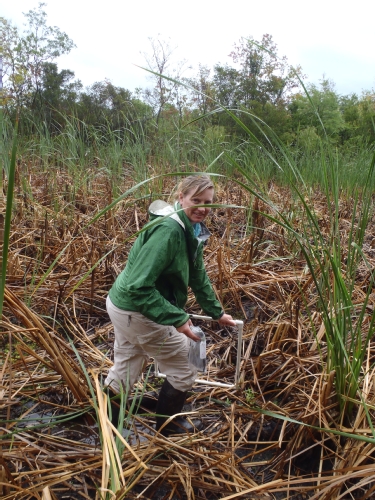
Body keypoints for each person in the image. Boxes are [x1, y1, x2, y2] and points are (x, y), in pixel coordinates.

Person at [104, 175, 236, 435]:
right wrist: (177, 318)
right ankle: (170, 426)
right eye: (195, 200)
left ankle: (106, 423)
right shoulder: (169, 231)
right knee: (188, 363)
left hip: (122, 306)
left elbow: (197, 274)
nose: (201, 208)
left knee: (127, 366)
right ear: (181, 197)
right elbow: (138, 287)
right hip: (135, 310)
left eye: (207, 202)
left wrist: (216, 312)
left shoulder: (192, 229)